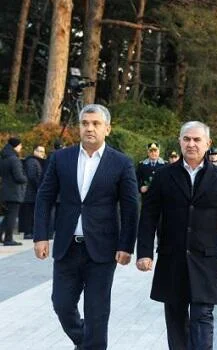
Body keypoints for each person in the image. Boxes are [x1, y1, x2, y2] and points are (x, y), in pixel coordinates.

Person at [33, 104, 139, 349]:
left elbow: (131, 207)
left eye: (96, 124)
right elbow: (44, 197)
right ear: (79, 127)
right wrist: (40, 236)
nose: (90, 128)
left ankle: (93, 344)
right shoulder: (61, 158)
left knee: (97, 311)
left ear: (107, 129)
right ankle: (85, 342)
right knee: (61, 304)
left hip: (102, 250)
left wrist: (126, 246)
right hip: (66, 247)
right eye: (85, 123)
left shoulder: (121, 163)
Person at [136, 121, 217, 350]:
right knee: (175, 319)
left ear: (208, 144)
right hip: (172, 259)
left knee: (203, 317)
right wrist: (143, 253)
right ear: (180, 141)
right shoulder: (164, 176)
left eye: (196, 140)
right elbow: (149, 216)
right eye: (186, 139)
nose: (191, 144)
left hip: (206, 259)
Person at [0, 137, 27, 246]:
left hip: (5, 190)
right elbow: (19, 177)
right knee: (12, 217)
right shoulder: (14, 159)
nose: (21, 148)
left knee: (7, 216)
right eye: (20, 145)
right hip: (14, 192)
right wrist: (26, 178)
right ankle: (8, 238)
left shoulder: (3, 158)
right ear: (16, 146)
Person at [19, 145, 47, 240]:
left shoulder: (36, 161)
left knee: (31, 213)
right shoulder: (32, 161)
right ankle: (28, 232)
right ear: (34, 151)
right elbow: (32, 177)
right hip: (30, 192)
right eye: (39, 151)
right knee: (29, 213)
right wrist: (39, 188)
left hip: (31, 192)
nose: (41, 154)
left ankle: (29, 231)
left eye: (43, 152)